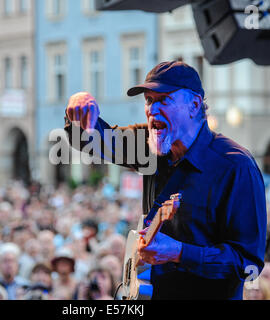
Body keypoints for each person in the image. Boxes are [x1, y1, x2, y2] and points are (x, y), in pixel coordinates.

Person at [64, 60, 267, 300]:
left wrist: (180, 253)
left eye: (164, 100)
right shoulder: (149, 144)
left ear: (194, 105)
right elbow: (94, 141)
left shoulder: (235, 165)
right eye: (149, 100)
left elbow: (248, 263)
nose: (152, 110)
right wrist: (78, 112)